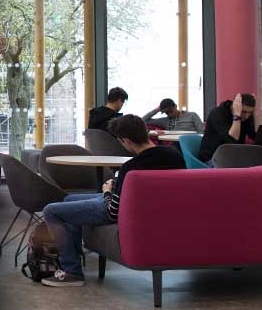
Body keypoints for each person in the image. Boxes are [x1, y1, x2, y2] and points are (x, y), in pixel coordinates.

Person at [41, 114, 186, 287]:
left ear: (126, 141)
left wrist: (107, 191)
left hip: (124, 209)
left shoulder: (131, 168)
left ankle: (72, 272)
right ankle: (73, 261)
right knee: (69, 199)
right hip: (156, 208)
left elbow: (112, 212)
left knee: (51, 211)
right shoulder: (174, 154)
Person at [197, 93, 260, 163]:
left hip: (232, 155)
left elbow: (253, 135)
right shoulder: (217, 113)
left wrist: (255, 114)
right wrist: (237, 115)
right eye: (244, 112)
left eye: (250, 112)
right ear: (234, 107)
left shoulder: (246, 115)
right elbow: (232, 141)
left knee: (260, 160)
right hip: (212, 158)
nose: (247, 116)